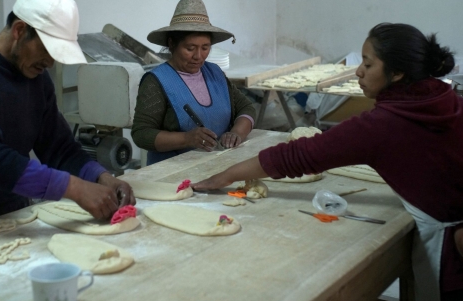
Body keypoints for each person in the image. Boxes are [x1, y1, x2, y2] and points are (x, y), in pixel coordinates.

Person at [192, 23, 463, 301]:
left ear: (397, 73)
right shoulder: (446, 99)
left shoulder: (384, 125)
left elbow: (298, 155)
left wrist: (224, 176)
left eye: (367, 65)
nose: (358, 71)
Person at [0, 0, 135, 241]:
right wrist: (75, 188)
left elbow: (59, 148)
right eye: (47, 50)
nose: (50, 62)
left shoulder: (36, 79)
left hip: (10, 217)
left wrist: (102, 177)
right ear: (20, 31)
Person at [131, 0, 256, 165]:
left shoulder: (214, 72)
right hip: (171, 172)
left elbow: (246, 107)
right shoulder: (157, 81)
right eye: (190, 48)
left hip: (216, 165)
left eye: (205, 48)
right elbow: (142, 134)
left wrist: (237, 133)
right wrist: (186, 138)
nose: (198, 56)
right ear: (171, 44)